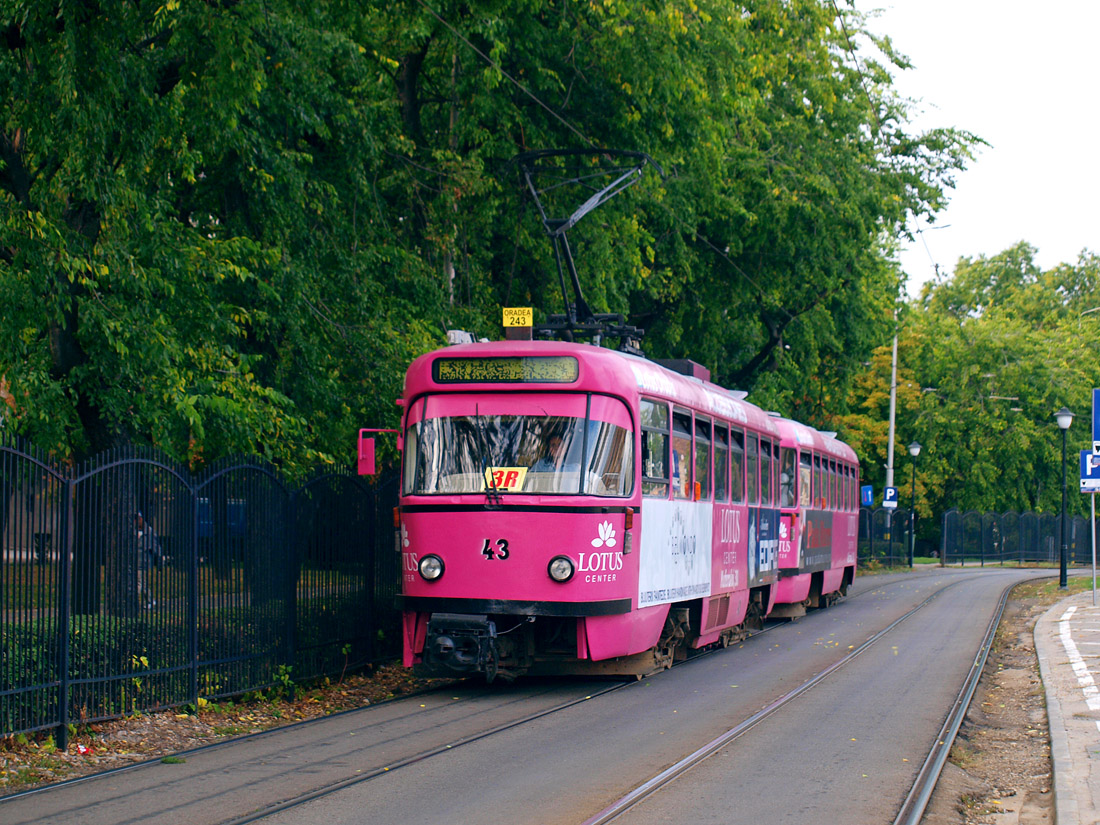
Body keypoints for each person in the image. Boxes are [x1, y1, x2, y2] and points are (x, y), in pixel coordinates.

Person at [135, 512, 162, 609]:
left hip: (143, 562)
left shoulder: (149, 532)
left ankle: (133, 601)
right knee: (143, 583)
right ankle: (151, 601)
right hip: (135, 561)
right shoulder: (133, 531)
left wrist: (159, 562)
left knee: (138, 582)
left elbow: (156, 548)